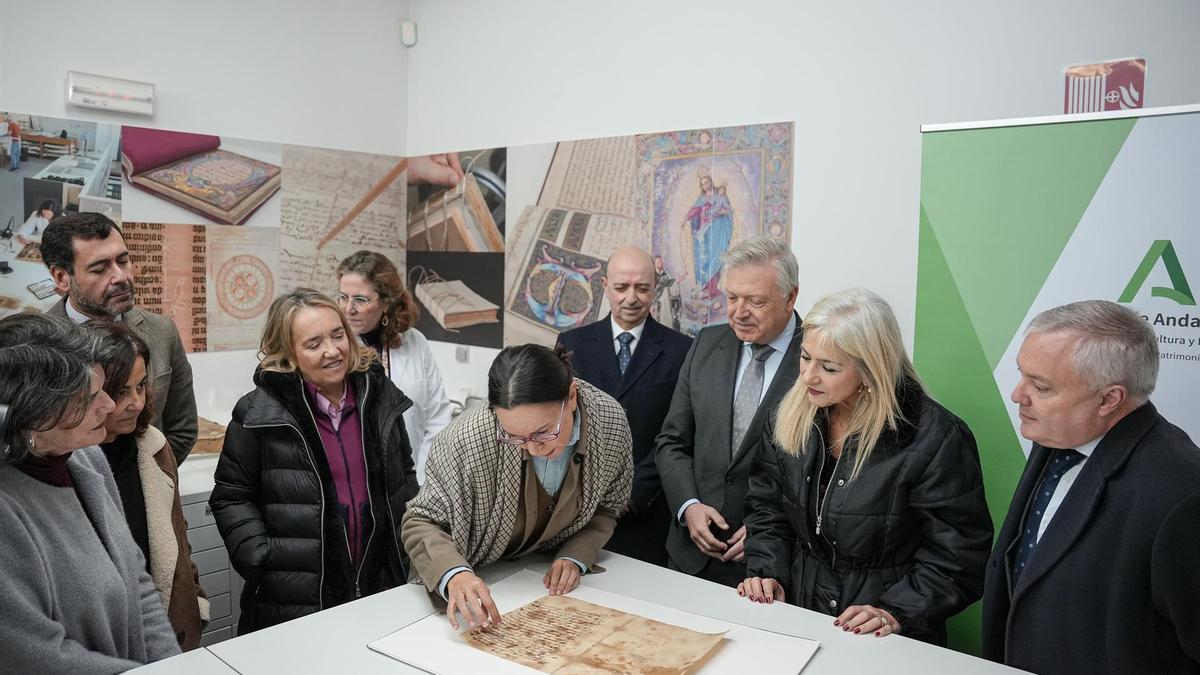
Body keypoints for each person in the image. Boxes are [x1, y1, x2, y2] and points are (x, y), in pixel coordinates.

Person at [739, 289, 992, 645]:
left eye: (828, 367)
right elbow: (767, 509)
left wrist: (895, 610)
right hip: (796, 618)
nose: (809, 377)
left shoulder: (936, 438)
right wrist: (767, 572)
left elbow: (959, 557)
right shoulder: (789, 414)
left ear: (872, 368)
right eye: (805, 357)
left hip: (882, 638)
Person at [982, 300, 1200, 674]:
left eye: (1041, 386)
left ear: (1109, 398)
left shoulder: (1182, 493)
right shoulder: (1058, 435)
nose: (1018, 395)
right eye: (1023, 375)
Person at [210, 288, 418, 633]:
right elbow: (231, 495)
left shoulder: (380, 398)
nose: (332, 351)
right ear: (288, 352)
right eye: (314, 343)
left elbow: (404, 477)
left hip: (380, 587)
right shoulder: (259, 412)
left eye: (338, 336)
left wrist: (405, 545)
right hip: (292, 598)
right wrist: (261, 557)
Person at [401, 344, 633, 629]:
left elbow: (608, 506)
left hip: (541, 586)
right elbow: (420, 521)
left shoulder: (609, 422)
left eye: (544, 433)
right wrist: (455, 575)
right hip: (476, 587)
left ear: (571, 397)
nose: (534, 449)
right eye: (515, 437)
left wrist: (578, 553)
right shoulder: (468, 440)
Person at [0, 314, 181, 672]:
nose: (110, 406)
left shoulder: (86, 459)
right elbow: (34, 656)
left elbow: (138, 581)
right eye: (89, 397)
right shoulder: (8, 505)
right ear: (35, 414)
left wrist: (171, 667)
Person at [656, 235, 802, 587]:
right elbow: (671, 441)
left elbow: (827, 475)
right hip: (691, 557)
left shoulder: (819, 359)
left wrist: (770, 528)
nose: (739, 312)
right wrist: (688, 506)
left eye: (755, 301)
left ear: (790, 297)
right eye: (732, 297)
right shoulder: (706, 344)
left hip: (772, 569)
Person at [556, 246, 692, 566]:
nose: (631, 298)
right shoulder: (572, 344)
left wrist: (633, 491)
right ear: (605, 286)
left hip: (647, 512)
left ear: (655, 289)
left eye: (642, 288)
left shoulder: (682, 350)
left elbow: (678, 432)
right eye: (621, 287)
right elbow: (563, 422)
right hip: (582, 507)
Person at [41, 212, 198, 464]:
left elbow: (182, 429)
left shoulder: (161, 330)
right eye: (100, 269)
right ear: (62, 278)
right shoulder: (34, 345)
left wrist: (147, 482)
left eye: (123, 261)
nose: (121, 277)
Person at [92, 320, 210, 650]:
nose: (137, 403)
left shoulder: (153, 446)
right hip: (110, 641)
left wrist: (195, 604)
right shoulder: (69, 461)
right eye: (120, 391)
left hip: (170, 632)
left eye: (141, 386)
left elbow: (178, 540)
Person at [336, 250, 452, 484]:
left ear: (386, 303)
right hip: (355, 483)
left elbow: (438, 419)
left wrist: (420, 482)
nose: (349, 309)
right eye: (342, 297)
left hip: (412, 481)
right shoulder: (336, 351)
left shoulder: (415, 342)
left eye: (360, 299)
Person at [682, 172, 734, 300]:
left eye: (706, 182)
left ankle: (713, 289)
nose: (705, 185)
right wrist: (686, 218)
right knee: (704, 259)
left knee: (716, 257)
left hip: (718, 231)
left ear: (711, 181)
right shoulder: (702, 198)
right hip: (704, 234)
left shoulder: (720, 195)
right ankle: (704, 288)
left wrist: (723, 212)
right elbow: (695, 210)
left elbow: (728, 211)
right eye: (702, 184)